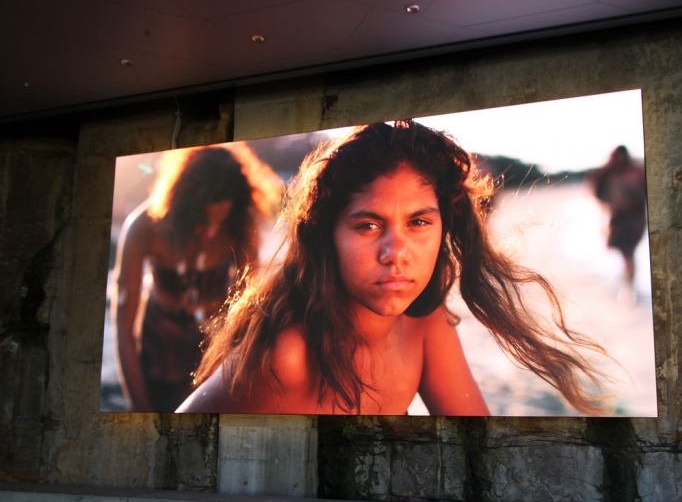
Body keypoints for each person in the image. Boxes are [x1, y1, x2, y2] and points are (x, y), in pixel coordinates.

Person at [177, 121, 607, 416]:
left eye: (418, 222)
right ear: (327, 236)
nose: (396, 253)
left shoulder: (424, 324)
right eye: (368, 226)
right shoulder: (289, 353)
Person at [112, 146, 282, 412]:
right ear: (182, 207)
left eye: (220, 222)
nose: (210, 233)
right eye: (202, 221)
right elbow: (124, 331)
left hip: (213, 362)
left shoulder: (239, 228)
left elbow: (251, 313)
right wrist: (141, 414)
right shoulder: (144, 228)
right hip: (157, 359)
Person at [588, 146, 647, 293]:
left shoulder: (636, 173)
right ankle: (629, 283)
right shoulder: (608, 175)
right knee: (626, 254)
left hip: (635, 220)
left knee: (629, 253)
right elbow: (599, 194)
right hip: (618, 220)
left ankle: (629, 284)